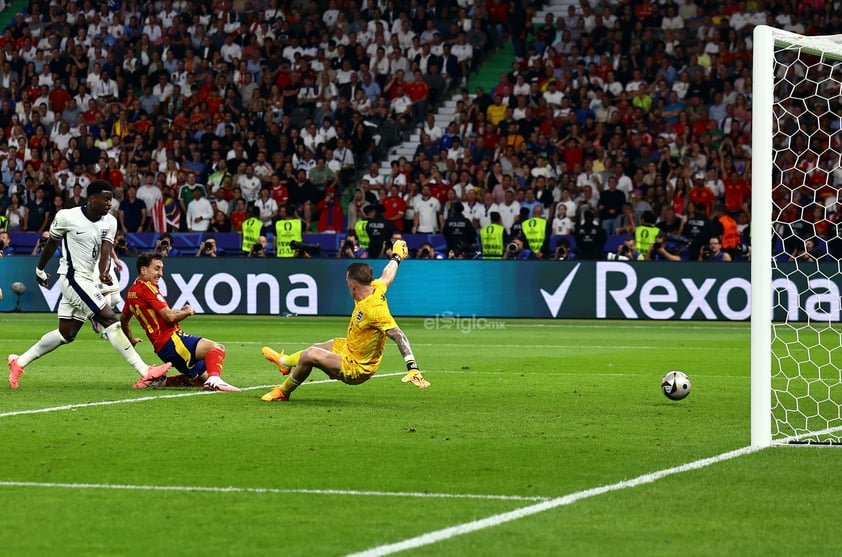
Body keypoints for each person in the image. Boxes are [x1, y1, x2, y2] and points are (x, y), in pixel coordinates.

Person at [7, 180, 171, 389]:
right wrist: (39, 269)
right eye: (106, 199)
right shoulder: (67, 217)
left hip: (89, 279)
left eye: (111, 199)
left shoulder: (110, 221)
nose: (109, 203)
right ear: (92, 198)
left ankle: (18, 362)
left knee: (66, 333)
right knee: (110, 319)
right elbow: (51, 244)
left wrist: (103, 272)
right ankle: (145, 371)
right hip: (72, 278)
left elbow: (105, 251)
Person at [260, 240, 429, 402]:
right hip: (349, 348)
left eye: (348, 283)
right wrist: (396, 257)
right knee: (319, 346)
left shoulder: (374, 309)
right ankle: (284, 363)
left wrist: (412, 367)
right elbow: (387, 276)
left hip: (357, 367)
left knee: (310, 355)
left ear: (353, 285)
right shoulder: (375, 288)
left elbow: (398, 334)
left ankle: (283, 392)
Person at [121, 252, 240, 391]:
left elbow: (123, 320)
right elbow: (169, 317)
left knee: (202, 376)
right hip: (172, 340)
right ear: (143, 270)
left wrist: (131, 339)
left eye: (161, 269)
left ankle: (159, 381)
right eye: (157, 268)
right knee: (217, 349)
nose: (161, 273)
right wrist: (187, 312)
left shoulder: (132, 292)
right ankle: (215, 381)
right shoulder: (148, 288)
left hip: (163, 348)